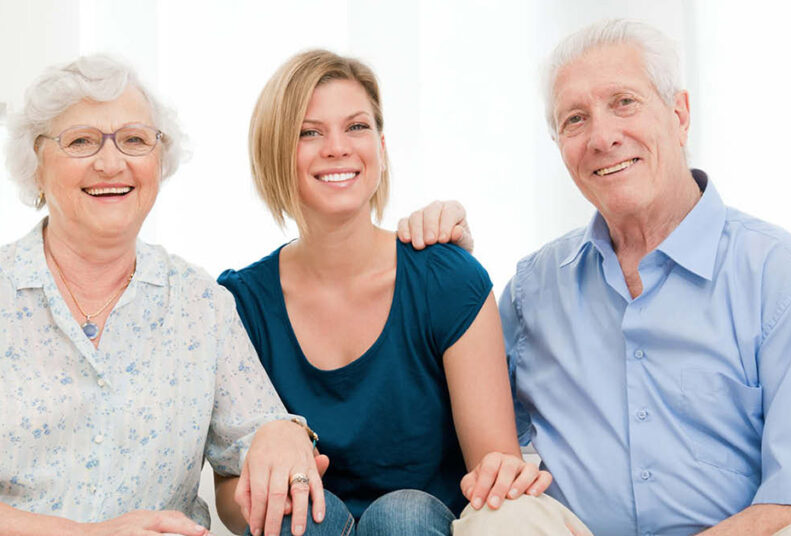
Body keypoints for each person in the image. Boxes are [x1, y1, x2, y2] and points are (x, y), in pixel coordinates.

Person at [399, 19, 791, 536]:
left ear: (679, 114)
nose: (603, 137)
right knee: (498, 519)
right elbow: (444, 430)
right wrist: (439, 275)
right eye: (575, 120)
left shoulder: (787, 280)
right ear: (559, 144)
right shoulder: (533, 290)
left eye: (624, 102)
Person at [0, 55, 350, 536]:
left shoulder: (200, 303)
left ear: (159, 163)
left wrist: (281, 436)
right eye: (81, 141)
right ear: (36, 166)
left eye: (134, 140)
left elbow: (251, 447)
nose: (110, 162)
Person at [216, 50, 555, 536]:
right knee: (301, 515)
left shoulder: (448, 280)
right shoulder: (238, 304)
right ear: (274, 150)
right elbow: (231, 498)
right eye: (309, 132)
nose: (337, 148)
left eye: (356, 127)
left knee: (405, 514)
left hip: (423, 527)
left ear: (380, 144)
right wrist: (266, 477)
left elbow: (493, 475)